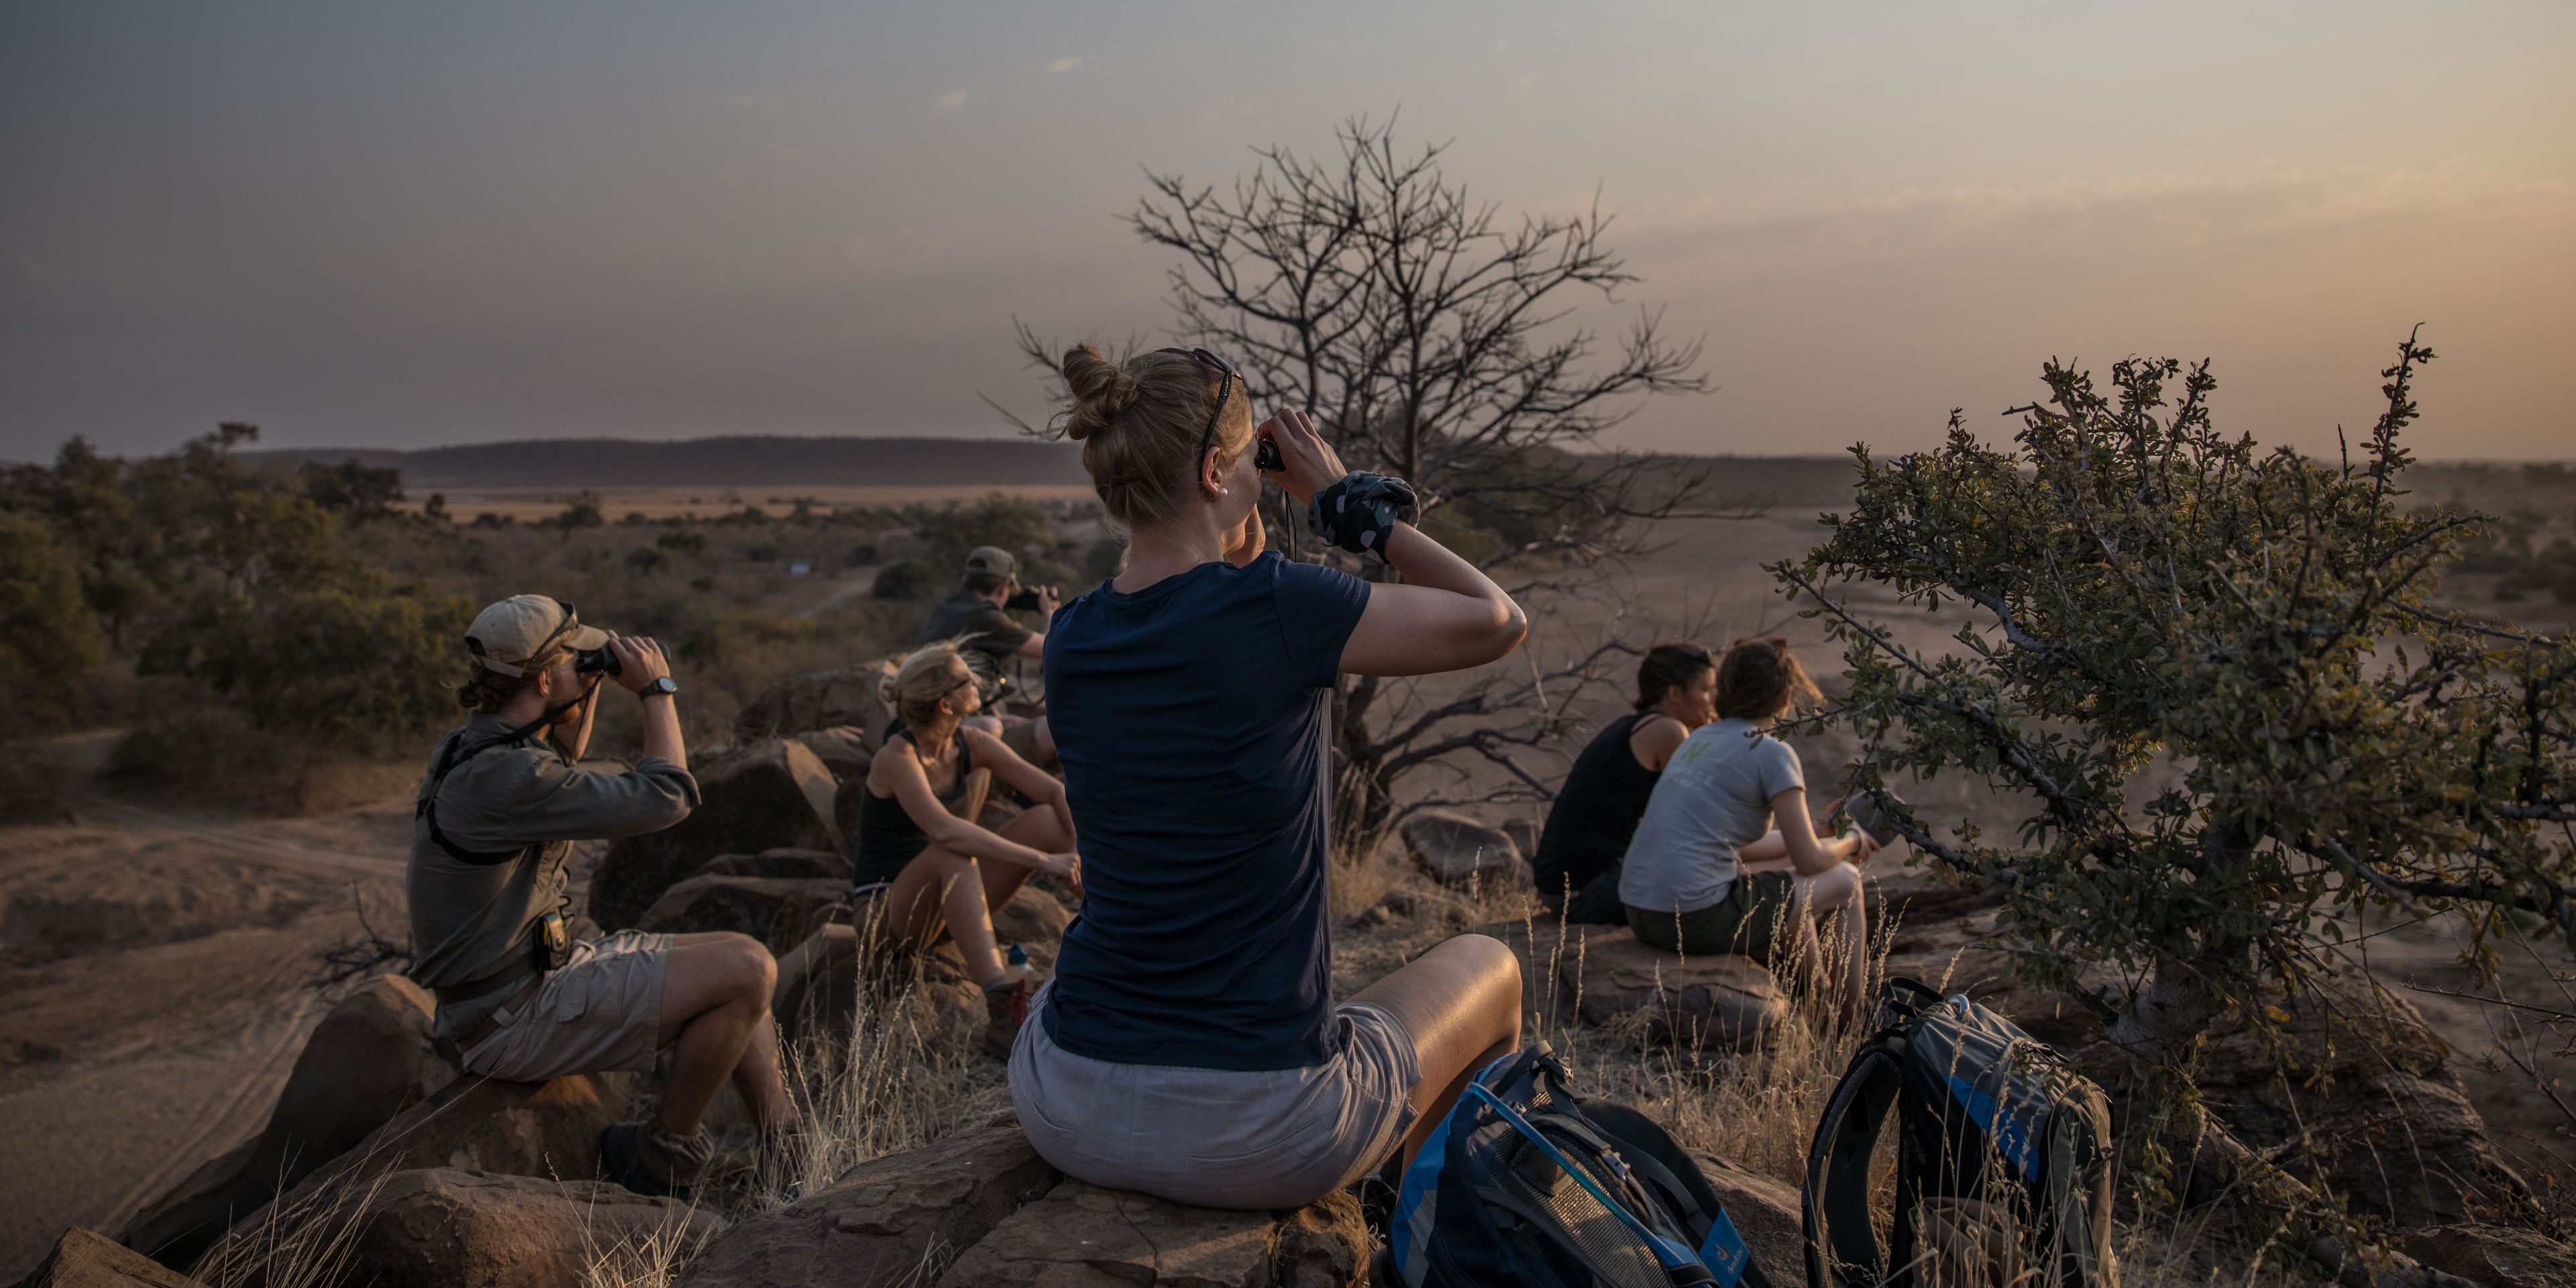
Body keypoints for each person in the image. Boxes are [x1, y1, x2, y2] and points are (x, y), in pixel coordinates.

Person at [1009, 342, 1530, 1212]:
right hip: (1262, 1128)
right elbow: (1495, 620)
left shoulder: (1073, 637)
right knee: (1493, 967)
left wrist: (1235, 528)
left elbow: (1203, 643)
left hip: (1068, 1103)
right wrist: (1342, 504)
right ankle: (1427, 1234)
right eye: (1253, 461)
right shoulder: (1282, 608)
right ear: (1217, 469)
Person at [408, 595, 788, 1197]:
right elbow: (669, 797)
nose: (585, 665)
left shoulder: (476, 746)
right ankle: (662, 1155)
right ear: (540, 679)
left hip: (520, 988)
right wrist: (656, 690)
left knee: (741, 964)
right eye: (572, 660)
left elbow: (563, 759)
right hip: (513, 1017)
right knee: (749, 971)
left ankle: (786, 1149)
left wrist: (585, 681)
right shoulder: (505, 779)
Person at [1617, 637, 1879, 1019]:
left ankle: (1819, 998)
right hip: (1695, 919)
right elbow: (1809, 862)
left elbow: (1738, 848)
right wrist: (1852, 841)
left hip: (1642, 911)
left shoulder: (1701, 739)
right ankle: (1853, 1016)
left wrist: (1822, 833)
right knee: (1846, 882)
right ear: (1785, 694)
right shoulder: (1773, 753)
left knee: (1781, 884)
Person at [851, 640, 1081, 1055]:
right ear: (945, 705)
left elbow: (1055, 792)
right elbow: (946, 832)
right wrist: (1043, 861)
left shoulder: (972, 744)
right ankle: (1001, 1008)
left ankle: (1117, 926)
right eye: (965, 680)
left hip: (950, 906)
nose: (977, 682)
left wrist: (1085, 862)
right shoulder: (897, 757)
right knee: (951, 850)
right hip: (888, 912)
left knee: (1049, 819)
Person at [1529, 642, 1718, 924]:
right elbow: (1697, 820)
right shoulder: (1668, 731)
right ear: (1675, 694)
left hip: (1563, 888)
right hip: (1587, 890)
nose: (1711, 700)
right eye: (1704, 690)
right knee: (1714, 879)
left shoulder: (1633, 725)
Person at [917, 545, 1058, 761]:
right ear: (1003, 587)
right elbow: (1051, 648)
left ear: (967, 580)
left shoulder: (946, 608)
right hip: (953, 730)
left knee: (1005, 723)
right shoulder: (986, 618)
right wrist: (1050, 613)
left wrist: (997, 716)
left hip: (937, 717)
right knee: (1057, 731)